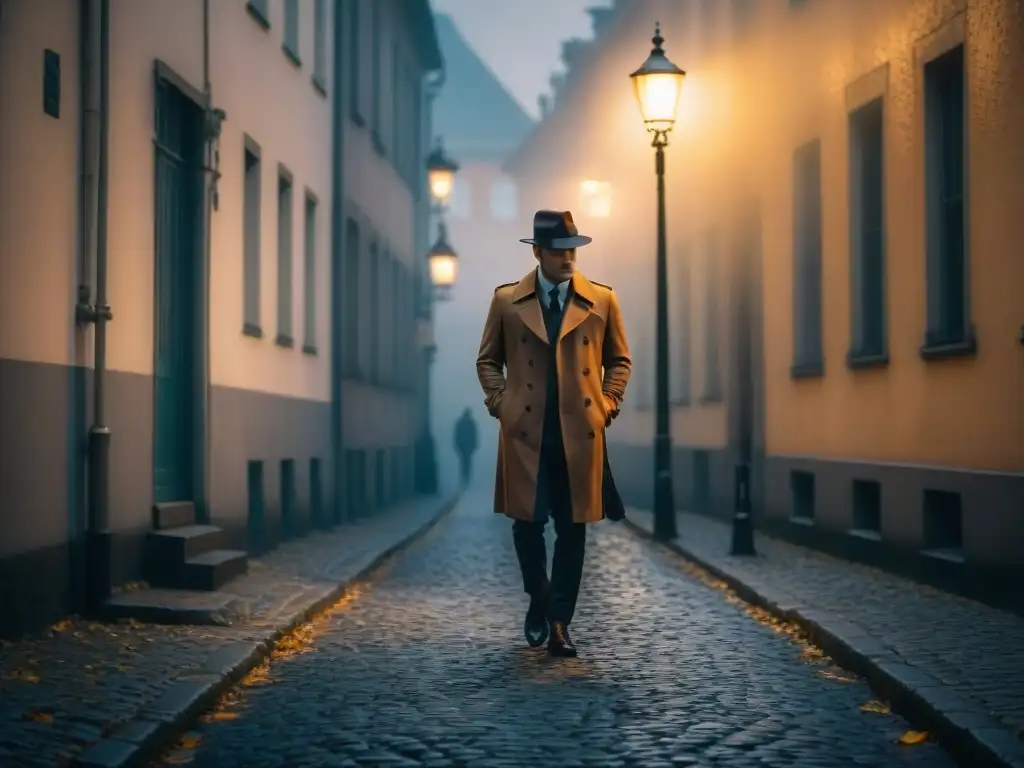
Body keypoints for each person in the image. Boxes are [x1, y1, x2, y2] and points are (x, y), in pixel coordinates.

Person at [476, 209, 631, 658]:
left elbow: (619, 360)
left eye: (574, 251)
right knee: (527, 526)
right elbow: (488, 360)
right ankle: (540, 600)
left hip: (578, 434)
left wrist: (606, 404)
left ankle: (559, 622)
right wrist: (500, 404)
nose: (569, 260)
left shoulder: (601, 300)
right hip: (526, 433)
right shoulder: (507, 301)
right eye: (560, 251)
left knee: (573, 528)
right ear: (539, 253)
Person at [453, 407, 479, 488]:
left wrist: (456, 445)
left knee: (463, 461)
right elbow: (474, 435)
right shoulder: (471, 423)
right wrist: (475, 445)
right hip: (468, 445)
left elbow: (456, 435)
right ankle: (466, 477)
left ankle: (464, 476)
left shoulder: (460, 422)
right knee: (467, 461)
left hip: (462, 445)